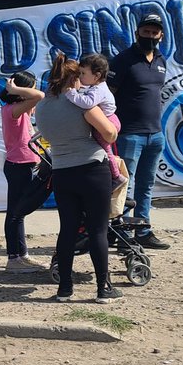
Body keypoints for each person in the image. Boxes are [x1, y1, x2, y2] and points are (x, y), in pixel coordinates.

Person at [30, 54, 121, 303]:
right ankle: (104, 288)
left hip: (62, 171)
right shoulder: (83, 104)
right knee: (98, 230)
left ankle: (65, 288)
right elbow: (110, 134)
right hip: (92, 168)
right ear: (73, 78)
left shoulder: (43, 106)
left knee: (67, 230)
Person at [108, 13, 169, 250]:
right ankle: (123, 233)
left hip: (155, 134)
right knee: (125, 184)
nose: (150, 36)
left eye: (154, 33)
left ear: (161, 35)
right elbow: (109, 95)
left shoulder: (162, 60)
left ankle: (143, 231)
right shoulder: (123, 60)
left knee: (146, 185)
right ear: (137, 33)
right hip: (129, 134)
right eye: (146, 32)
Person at [0, 71, 46, 272]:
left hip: (22, 164)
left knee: (19, 213)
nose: (33, 91)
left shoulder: (18, 110)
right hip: (19, 165)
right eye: (30, 87)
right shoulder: (12, 110)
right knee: (16, 213)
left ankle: (21, 255)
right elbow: (39, 96)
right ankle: (14, 259)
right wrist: (16, 90)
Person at [65, 54, 124, 186]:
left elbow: (87, 102)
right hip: (106, 119)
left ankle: (116, 177)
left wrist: (71, 93)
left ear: (96, 76)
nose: (80, 76)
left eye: (83, 73)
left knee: (105, 149)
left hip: (109, 120)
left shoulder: (99, 89)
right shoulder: (94, 86)